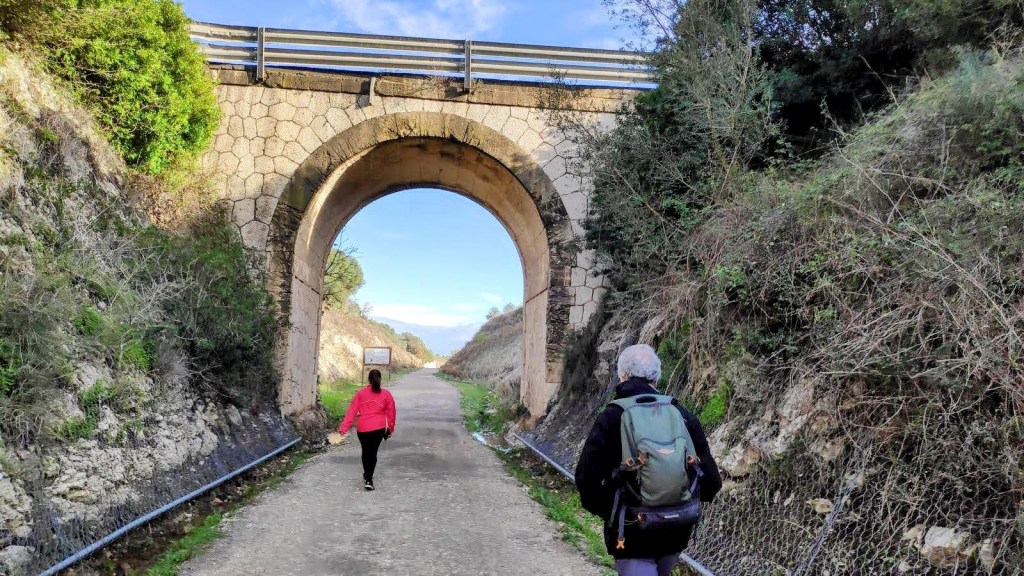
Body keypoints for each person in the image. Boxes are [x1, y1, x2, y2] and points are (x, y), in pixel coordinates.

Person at [575, 344, 722, 576]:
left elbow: (586, 479)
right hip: (677, 529)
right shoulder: (681, 415)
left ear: (622, 376)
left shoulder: (613, 416)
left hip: (632, 531)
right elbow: (712, 481)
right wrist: (677, 500)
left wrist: (611, 510)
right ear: (656, 377)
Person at [339, 369, 396, 491]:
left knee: (365, 452)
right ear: (380, 379)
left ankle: (367, 476)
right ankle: (369, 478)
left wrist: (344, 428)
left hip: (363, 428)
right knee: (373, 453)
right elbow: (391, 413)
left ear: (369, 380)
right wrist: (390, 428)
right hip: (378, 428)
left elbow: (352, 411)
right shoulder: (386, 394)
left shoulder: (360, 393)